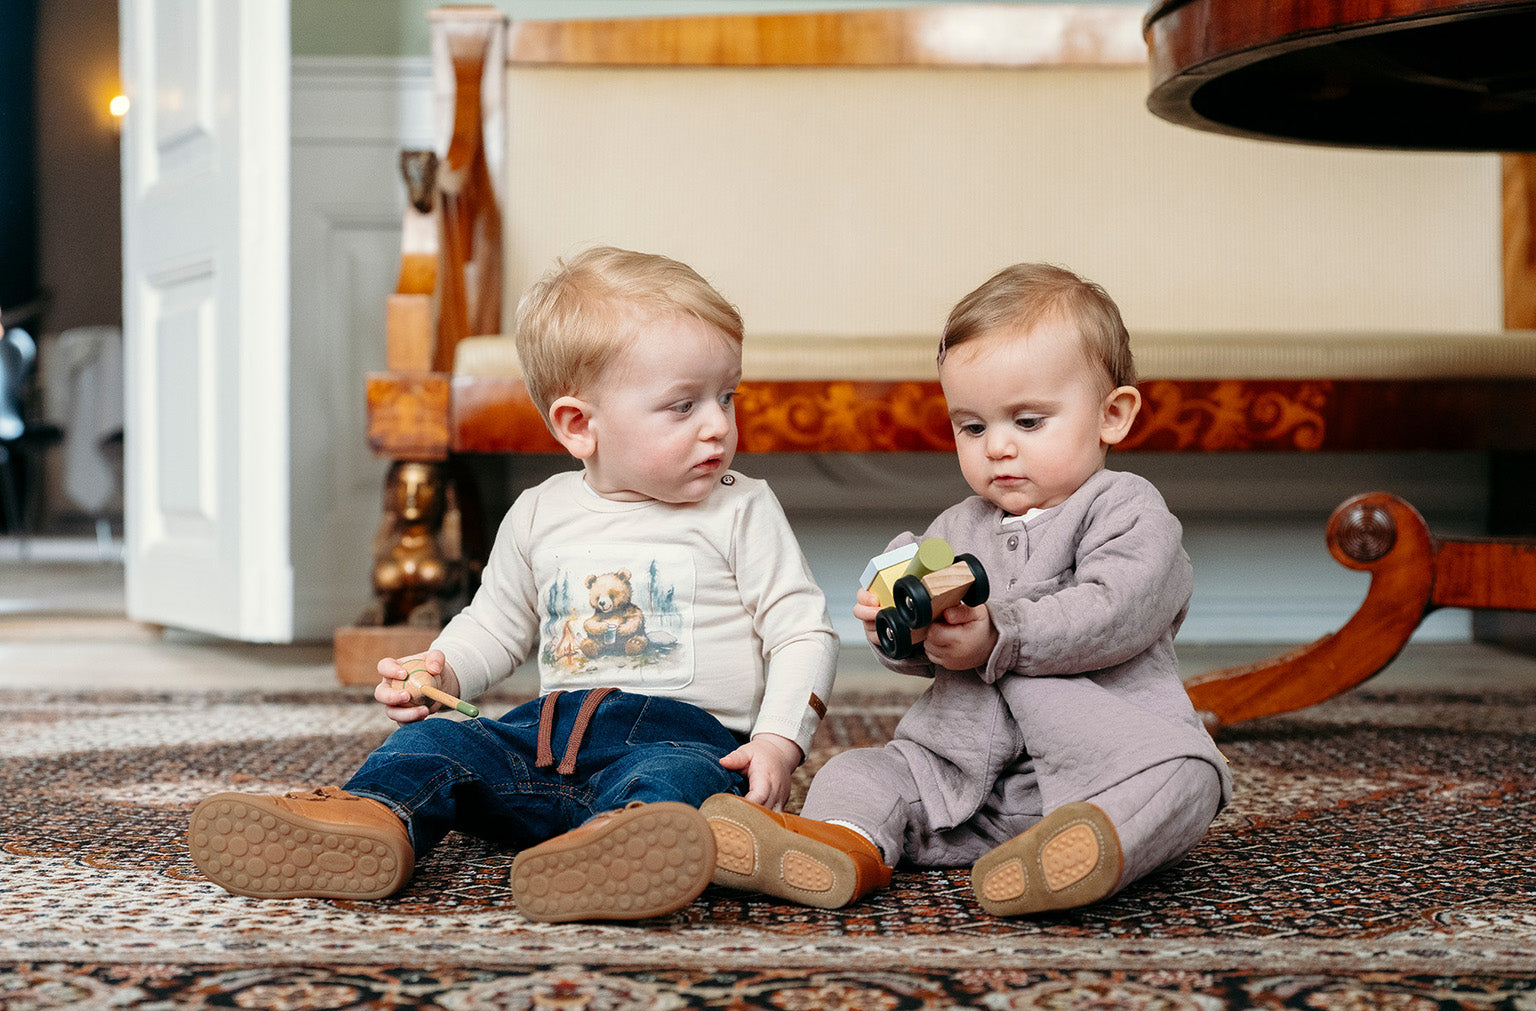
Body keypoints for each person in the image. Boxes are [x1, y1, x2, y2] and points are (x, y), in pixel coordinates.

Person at [189, 246, 838, 922]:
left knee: (685, 785)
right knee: (432, 743)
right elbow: (495, 624)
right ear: (578, 425)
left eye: (726, 397)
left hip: (678, 739)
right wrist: (440, 666)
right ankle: (373, 821)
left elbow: (803, 631)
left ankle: (618, 850)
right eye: (683, 406)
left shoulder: (742, 510)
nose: (718, 425)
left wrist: (777, 741)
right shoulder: (539, 511)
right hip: (543, 742)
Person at [701, 262, 1229, 916]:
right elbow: (924, 648)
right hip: (958, 779)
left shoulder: (1127, 509)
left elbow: (1119, 606)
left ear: (1112, 416)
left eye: (1028, 422)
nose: (997, 449)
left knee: (1186, 778)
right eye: (973, 427)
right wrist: (898, 627)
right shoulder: (958, 527)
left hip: (1102, 763)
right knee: (860, 772)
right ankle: (843, 845)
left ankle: (1084, 853)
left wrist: (1000, 634)